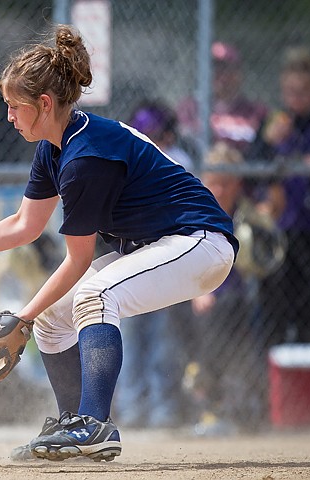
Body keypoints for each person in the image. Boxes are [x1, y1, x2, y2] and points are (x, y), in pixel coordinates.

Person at [0, 25, 238, 462]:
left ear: (44, 104)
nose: (9, 117)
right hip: (158, 246)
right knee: (54, 317)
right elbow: (25, 223)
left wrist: (19, 317)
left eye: (14, 107)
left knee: (95, 295)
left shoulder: (86, 158)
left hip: (199, 243)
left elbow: (78, 260)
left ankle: (94, 425)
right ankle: (72, 425)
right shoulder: (55, 145)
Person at [252, 46, 310, 347]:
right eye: (291, 92)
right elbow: (249, 174)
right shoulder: (271, 125)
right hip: (279, 229)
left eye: (303, 92)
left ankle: (307, 373)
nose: (296, 100)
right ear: (282, 90)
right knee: (275, 308)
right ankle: (273, 381)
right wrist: (267, 145)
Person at [181, 142, 274, 435]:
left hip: (237, 298)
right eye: (212, 183)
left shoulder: (246, 216)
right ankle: (208, 405)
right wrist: (198, 291)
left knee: (232, 310)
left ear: (237, 184)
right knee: (210, 318)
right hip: (195, 294)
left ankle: (236, 408)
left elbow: (267, 257)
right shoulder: (194, 210)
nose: (218, 191)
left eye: (225, 184)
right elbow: (180, 260)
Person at [113, 100, 194, 430]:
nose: (161, 143)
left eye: (162, 136)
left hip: (168, 266)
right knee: (131, 339)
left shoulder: (180, 161)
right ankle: (133, 409)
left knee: (164, 342)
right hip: (131, 263)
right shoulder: (124, 161)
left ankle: (164, 409)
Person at [177, 41, 268, 158]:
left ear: (238, 73)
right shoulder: (189, 108)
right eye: (215, 69)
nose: (221, 75)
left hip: (245, 173)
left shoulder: (256, 111)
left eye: (227, 68)